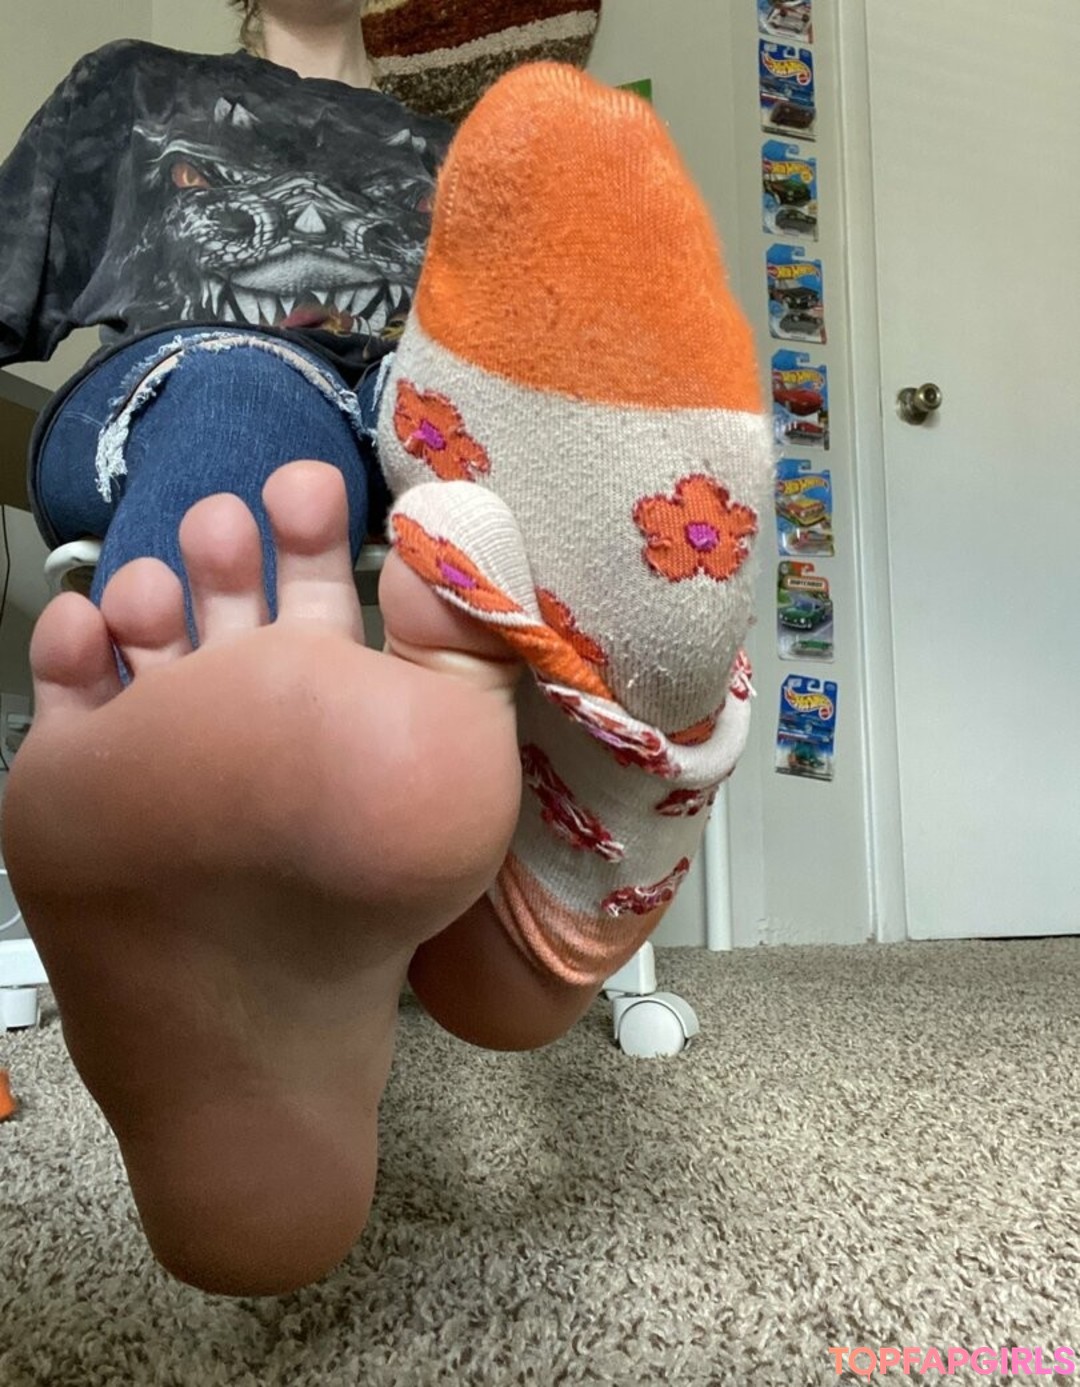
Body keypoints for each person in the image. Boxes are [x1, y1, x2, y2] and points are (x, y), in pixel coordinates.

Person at [0, 0, 773, 1296]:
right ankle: (253, 850)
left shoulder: (466, 148)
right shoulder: (132, 88)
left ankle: (509, 907)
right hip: (193, 374)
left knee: (528, 458)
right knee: (251, 395)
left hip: (427, 418)